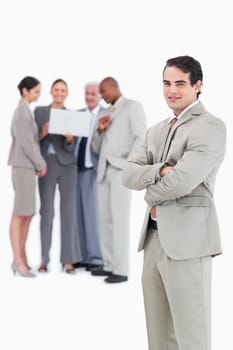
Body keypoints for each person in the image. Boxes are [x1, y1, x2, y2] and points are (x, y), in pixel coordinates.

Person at [122, 55, 226, 349]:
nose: (172, 90)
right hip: (153, 240)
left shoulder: (210, 127)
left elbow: (182, 181)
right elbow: (128, 173)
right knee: (158, 336)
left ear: (198, 85)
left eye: (180, 83)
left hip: (189, 243)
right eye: (167, 83)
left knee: (192, 336)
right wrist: (159, 170)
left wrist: (149, 189)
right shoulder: (156, 130)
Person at [91, 77, 147, 283]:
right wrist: (99, 131)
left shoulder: (133, 107)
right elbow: (96, 148)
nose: (102, 96)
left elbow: (141, 138)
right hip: (104, 171)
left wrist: (128, 164)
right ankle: (109, 264)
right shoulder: (105, 114)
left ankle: (121, 270)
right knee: (105, 220)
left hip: (120, 170)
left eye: (104, 91)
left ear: (115, 87)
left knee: (120, 220)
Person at [34, 79, 81, 274]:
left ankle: (68, 260)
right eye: (56, 89)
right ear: (51, 92)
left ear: (67, 93)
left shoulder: (73, 115)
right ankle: (44, 259)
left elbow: (73, 147)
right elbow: (31, 140)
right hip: (46, 165)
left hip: (68, 166)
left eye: (63, 90)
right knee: (46, 213)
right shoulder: (40, 112)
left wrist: (70, 140)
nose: (60, 93)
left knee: (68, 212)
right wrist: (42, 133)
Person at [8, 76, 47, 277]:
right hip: (22, 166)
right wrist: (40, 163)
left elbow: (30, 140)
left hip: (26, 167)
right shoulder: (21, 111)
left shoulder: (26, 111)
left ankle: (21, 256)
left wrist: (41, 133)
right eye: (36, 91)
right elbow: (25, 143)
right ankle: (17, 260)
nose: (38, 95)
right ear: (25, 90)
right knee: (20, 213)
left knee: (28, 212)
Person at [73, 82, 103, 271]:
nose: (89, 97)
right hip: (76, 170)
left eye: (93, 93)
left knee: (93, 215)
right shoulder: (78, 114)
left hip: (95, 170)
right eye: (87, 93)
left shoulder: (107, 115)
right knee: (77, 215)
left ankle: (96, 258)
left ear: (100, 95)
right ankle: (81, 256)